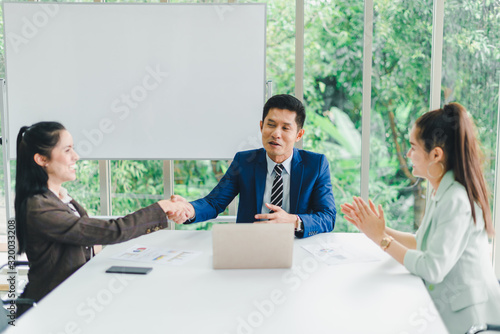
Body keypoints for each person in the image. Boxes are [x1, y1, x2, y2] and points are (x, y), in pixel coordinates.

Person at [341, 103, 500, 333]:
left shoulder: (455, 199)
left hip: (472, 322)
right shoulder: (441, 190)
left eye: (413, 147)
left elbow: (433, 268)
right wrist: (377, 230)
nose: (408, 154)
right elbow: (422, 242)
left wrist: (382, 240)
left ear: (436, 154)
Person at [14, 122, 188, 316]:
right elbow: (110, 231)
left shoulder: (60, 199)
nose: (76, 156)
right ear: (41, 159)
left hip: (75, 296)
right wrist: (161, 208)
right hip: (53, 307)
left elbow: (90, 238)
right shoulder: (39, 207)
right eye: (67, 150)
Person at [169, 94, 336, 238]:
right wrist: (189, 209)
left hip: (296, 245)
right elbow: (214, 203)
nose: (276, 134)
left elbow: (328, 217)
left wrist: (294, 221)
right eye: (271, 125)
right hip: (250, 245)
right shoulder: (244, 161)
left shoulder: (316, 164)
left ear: (299, 134)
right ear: (261, 126)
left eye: (285, 128)